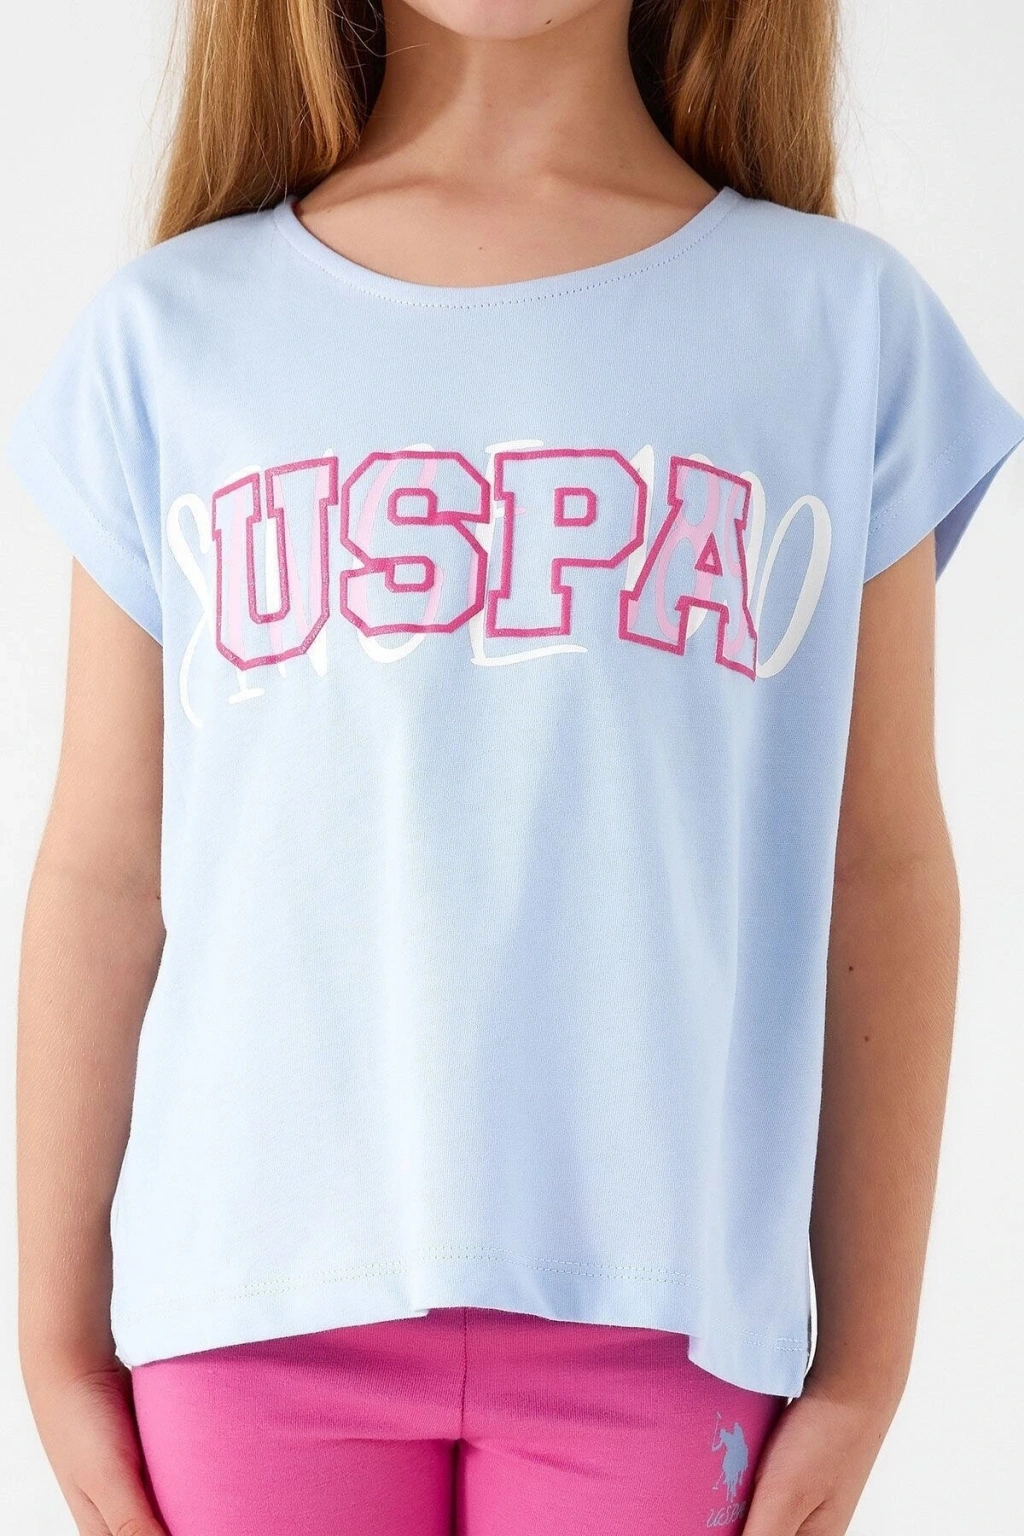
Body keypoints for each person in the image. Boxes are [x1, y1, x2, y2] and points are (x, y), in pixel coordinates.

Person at [8, 1, 1023, 1533]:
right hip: (249, 1310)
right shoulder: (172, 335)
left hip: (670, 1319)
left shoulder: (838, 326)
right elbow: (104, 871)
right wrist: (51, 1334)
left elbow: (878, 871)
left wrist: (868, 1366)